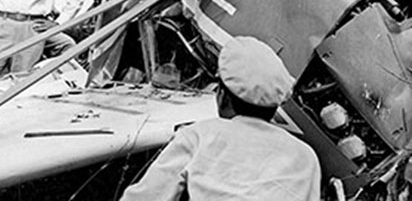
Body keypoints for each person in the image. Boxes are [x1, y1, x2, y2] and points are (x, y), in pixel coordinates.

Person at [121, 36, 322, 201]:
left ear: (223, 96)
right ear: (275, 105)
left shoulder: (199, 135)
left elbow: (146, 196)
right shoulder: (306, 157)